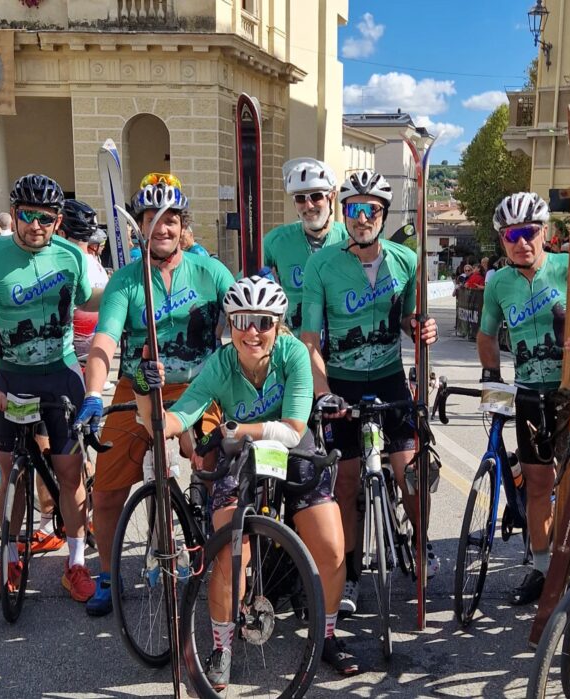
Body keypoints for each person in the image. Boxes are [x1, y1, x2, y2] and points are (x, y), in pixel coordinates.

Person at [136, 275, 357, 687]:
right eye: (242, 321)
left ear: (278, 324)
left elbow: (292, 431)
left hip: (287, 448)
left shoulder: (293, 354)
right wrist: (145, 388)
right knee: (229, 549)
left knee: (329, 546)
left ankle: (326, 637)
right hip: (237, 450)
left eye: (263, 321)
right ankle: (222, 646)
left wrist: (242, 429)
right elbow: (172, 420)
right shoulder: (219, 364)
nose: (252, 332)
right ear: (230, 324)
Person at [74, 178, 233, 616]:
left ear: (183, 227)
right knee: (106, 492)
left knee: (215, 474)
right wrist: (92, 393)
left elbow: (248, 320)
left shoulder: (210, 271)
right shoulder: (126, 280)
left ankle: (214, 550)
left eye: (170, 220)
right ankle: (107, 575)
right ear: (139, 227)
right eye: (151, 219)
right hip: (136, 386)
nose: (161, 227)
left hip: (200, 386)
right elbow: (105, 341)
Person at [0, 173, 104, 604]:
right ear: (15, 214)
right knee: (11, 477)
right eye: (27, 216)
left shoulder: (69, 257)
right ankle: (7, 560)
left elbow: (90, 301)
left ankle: (75, 563)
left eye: (46, 218)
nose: (36, 226)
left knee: (69, 475)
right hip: (9, 379)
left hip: (60, 375)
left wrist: (131, 284)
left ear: (58, 221)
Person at [477, 191, 570, 605]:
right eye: (511, 235)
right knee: (539, 485)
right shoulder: (498, 284)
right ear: (503, 241)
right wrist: (493, 378)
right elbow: (487, 333)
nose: (521, 241)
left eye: (528, 232)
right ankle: (543, 569)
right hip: (529, 391)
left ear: (545, 233)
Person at [301, 169, 438, 616]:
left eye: (371, 210)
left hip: (388, 379)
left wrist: (422, 329)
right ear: (345, 214)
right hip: (341, 383)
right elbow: (310, 340)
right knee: (345, 483)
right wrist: (323, 393)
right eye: (354, 209)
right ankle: (353, 573)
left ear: (383, 215)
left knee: (411, 473)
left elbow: (409, 320)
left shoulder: (406, 260)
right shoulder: (322, 265)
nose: (362, 218)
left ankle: (421, 545)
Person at [263, 158, 348, 335]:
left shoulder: (348, 239)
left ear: (331, 197)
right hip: (293, 346)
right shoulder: (276, 241)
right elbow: (246, 282)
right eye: (300, 198)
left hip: (339, 348)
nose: (308, 205)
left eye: (316, 196)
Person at [58, 200, 110, 360]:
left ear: (61, 234)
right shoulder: (97, 266)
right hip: (97, 352)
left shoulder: (65, 268)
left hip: (70, 357)